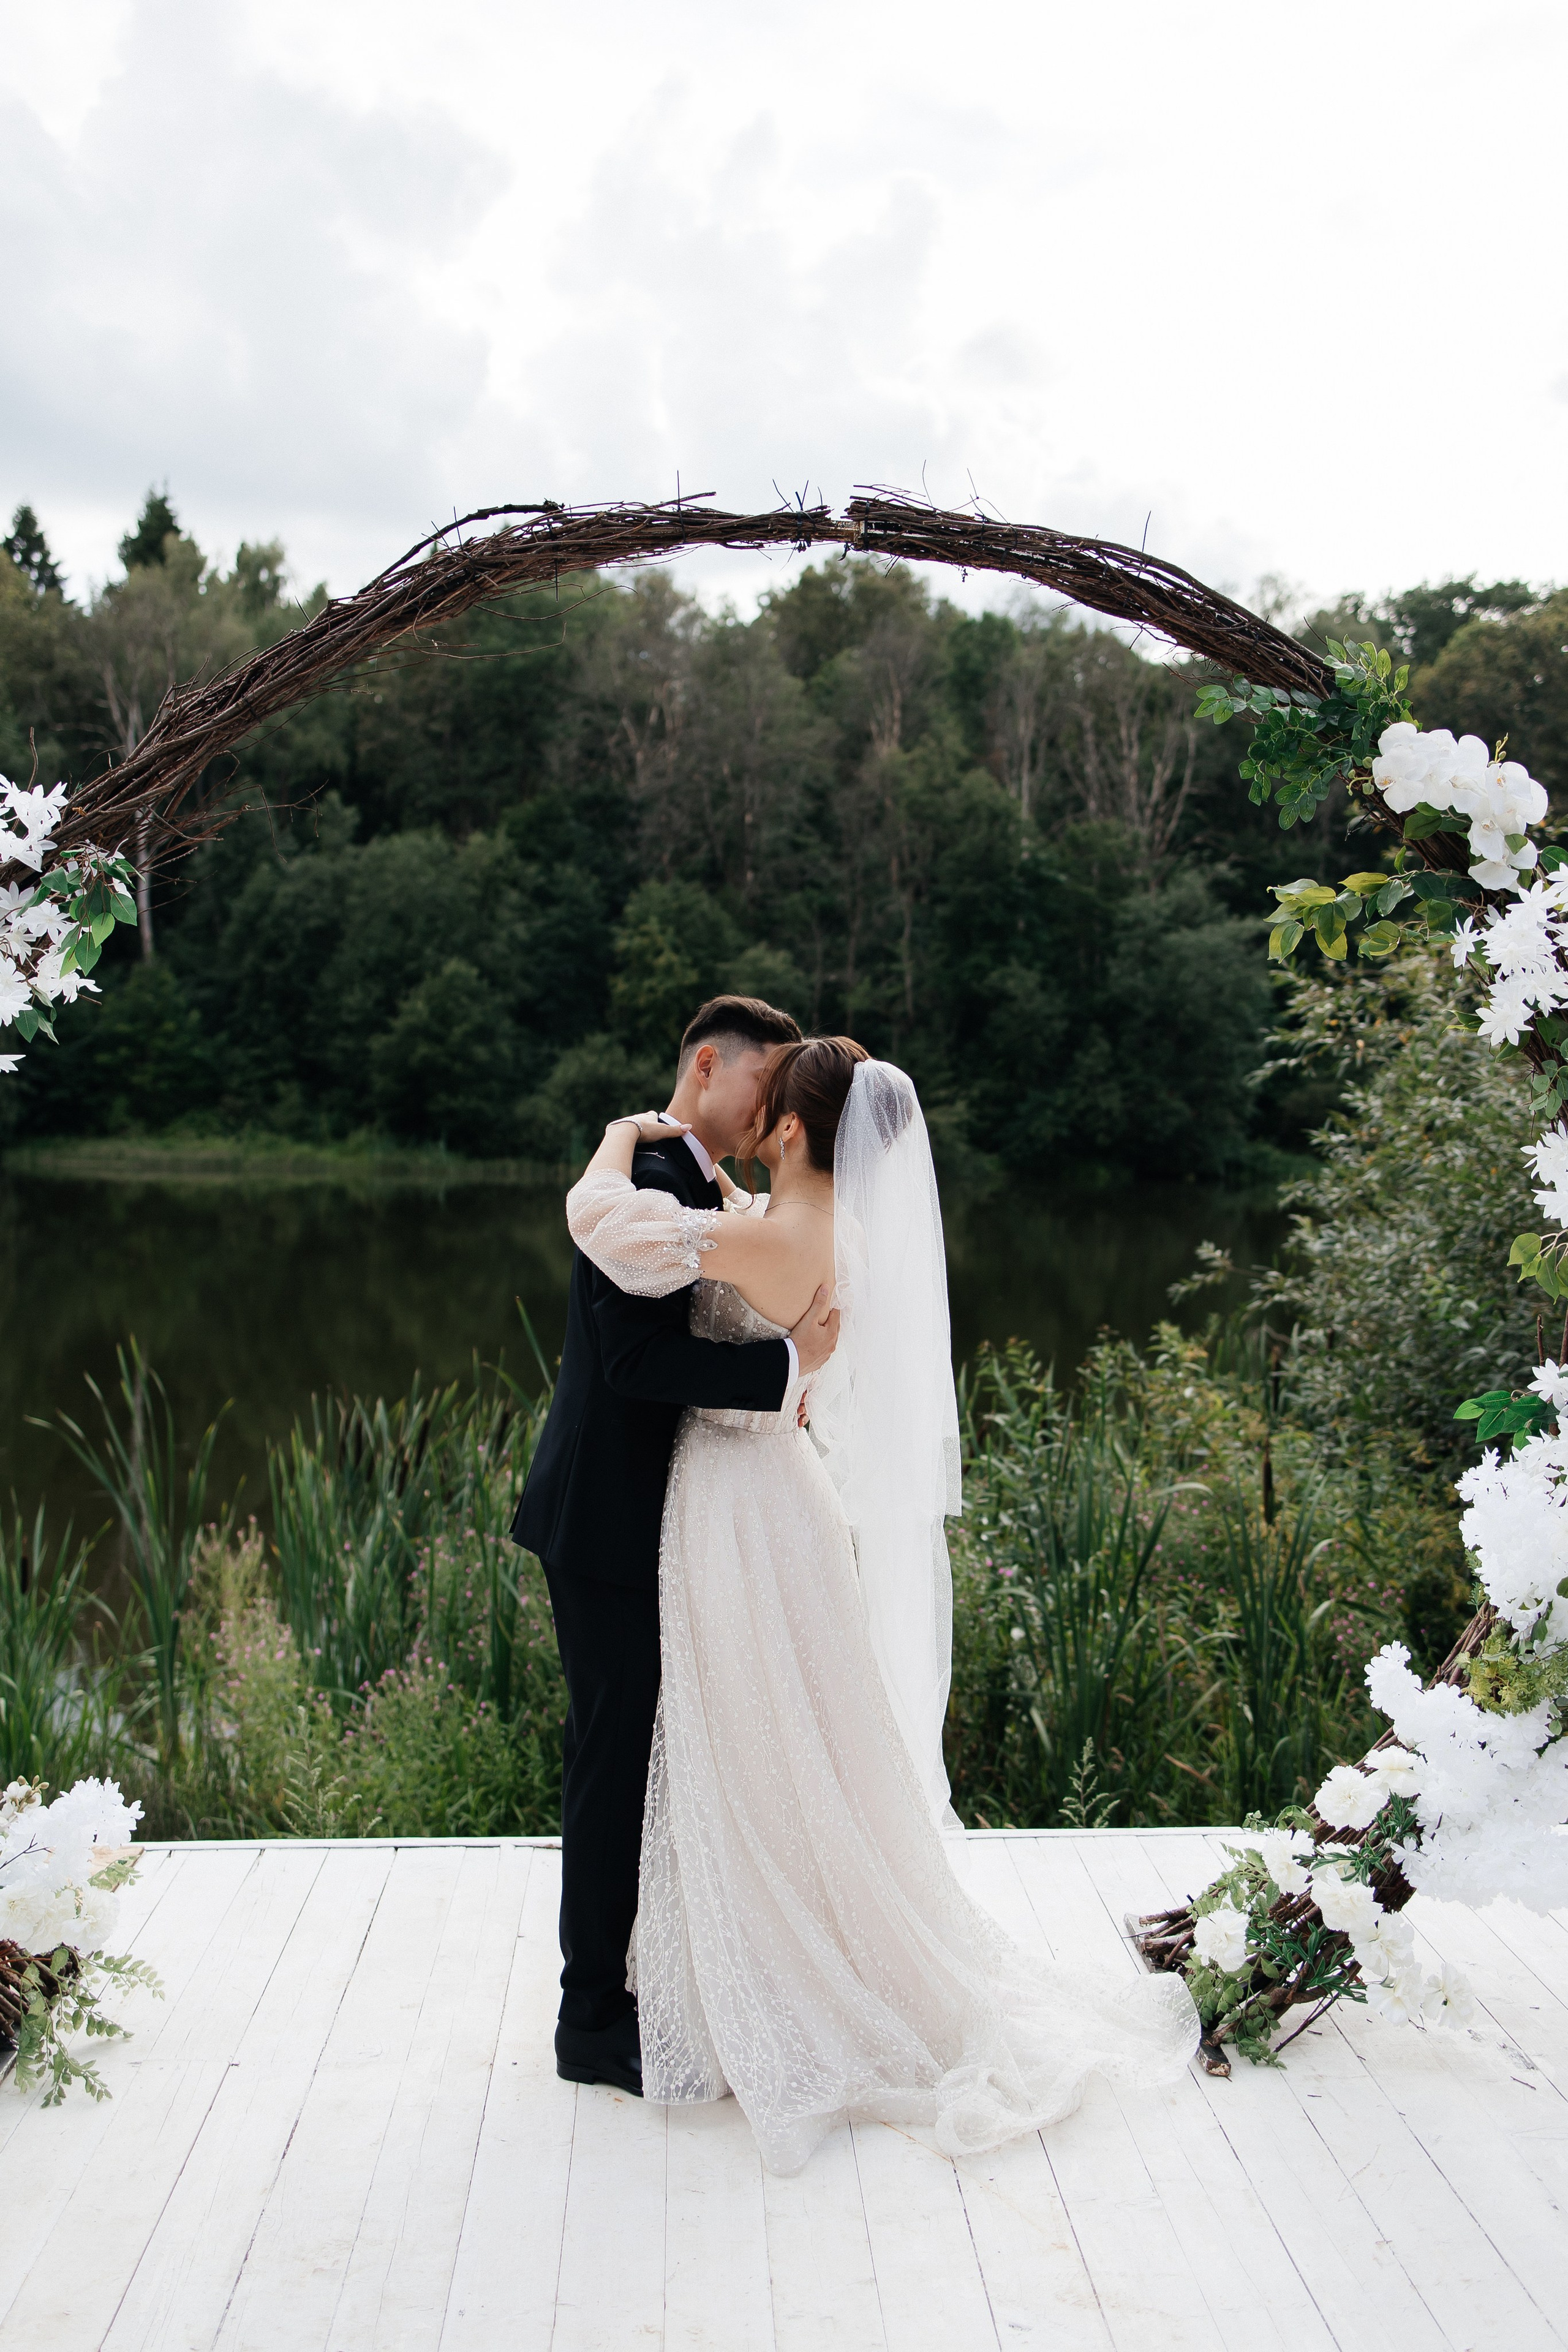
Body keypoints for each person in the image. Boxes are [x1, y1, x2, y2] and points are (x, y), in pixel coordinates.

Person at [565, 1039, 1199, 2174]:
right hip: (785, 1496)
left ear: (796, 1128)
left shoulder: (757, 1232)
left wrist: (618, 1141)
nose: (753, 1118)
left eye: (772, 1105)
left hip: (734, 1498)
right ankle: (772, 1955)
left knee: (747, 1738)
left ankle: (755, 1973)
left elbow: (607, 1226)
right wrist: (791, 1369)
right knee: (801, 1736)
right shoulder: (829, 1233)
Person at [512, 996, 840, 2098]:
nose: (776, 1107)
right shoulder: (653, 1183)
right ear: (711, 1064)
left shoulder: (702, 1185)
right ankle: (591, 2020)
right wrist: (785, 1376)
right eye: (769, 1081)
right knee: (610, 1763)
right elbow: (633, 1367)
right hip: (605, 1519)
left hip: (672, 1520)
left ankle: (668, 1977)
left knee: (660, 1755)